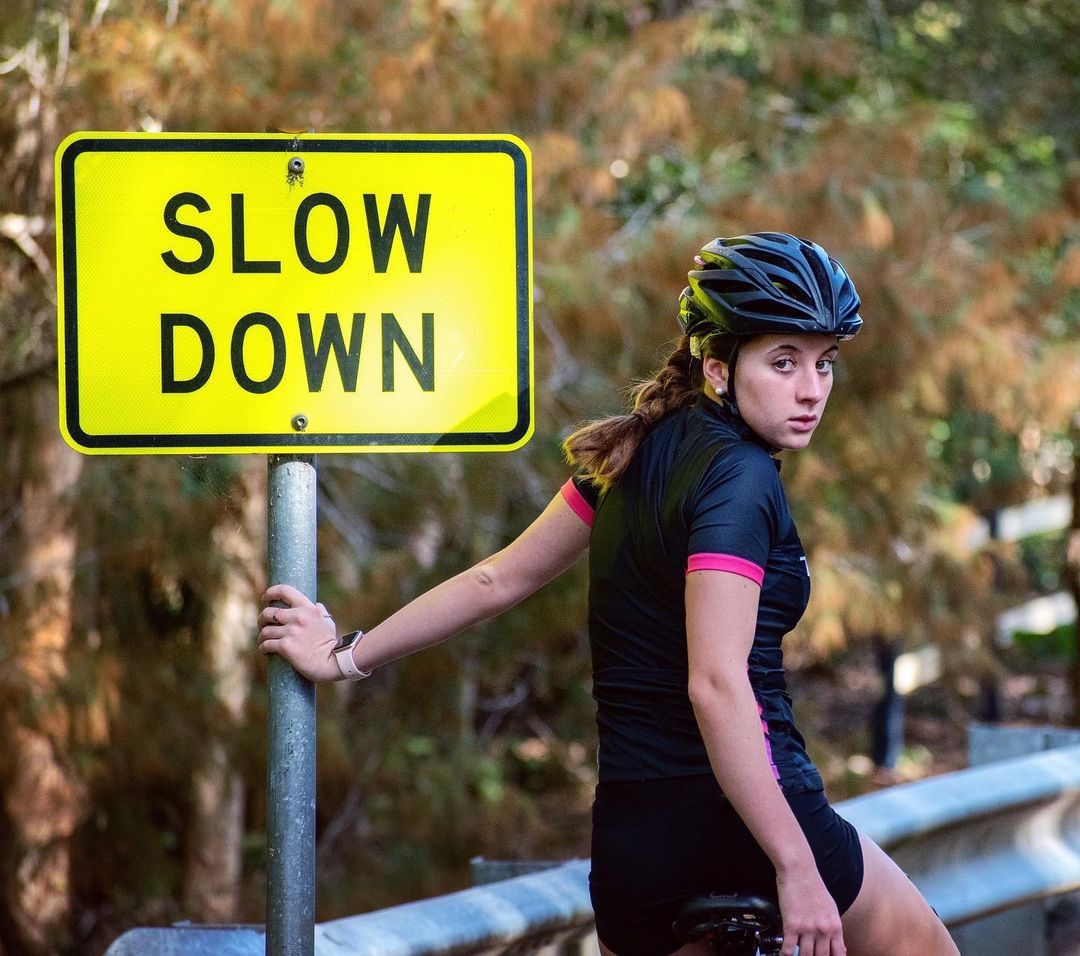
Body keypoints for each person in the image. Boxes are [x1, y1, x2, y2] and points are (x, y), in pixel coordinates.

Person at [257, 232, 959, 956]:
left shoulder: (630, 452)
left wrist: (342, 656)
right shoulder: (742, 478)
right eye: (784, 362)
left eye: (824, 362)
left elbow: (500, 578)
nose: (811, 389)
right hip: (753, 821)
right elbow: (716, 684)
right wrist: (796, 867)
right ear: (717, 365)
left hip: (635, 849)